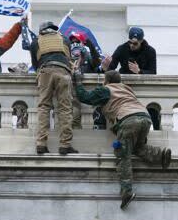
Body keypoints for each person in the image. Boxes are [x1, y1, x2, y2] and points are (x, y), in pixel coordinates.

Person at [74, 70, 172, 208]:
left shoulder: (106, 90)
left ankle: (126, 191)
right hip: (145, 118)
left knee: (122, 155)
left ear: (106, 81)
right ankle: (161, 156)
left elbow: (85, 97)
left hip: (128, 121)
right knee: (136, 147)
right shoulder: (127, 89)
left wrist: (78, 81)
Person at [30, 21, 77, 155]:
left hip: (45, 71)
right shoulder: (64, 39)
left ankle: (41, 144)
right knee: (65, 108)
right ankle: (65, 145)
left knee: (44, 106)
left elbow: (35, 64)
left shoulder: (36, 41)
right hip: (63, 72)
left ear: (42, 31)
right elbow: (69, 58)